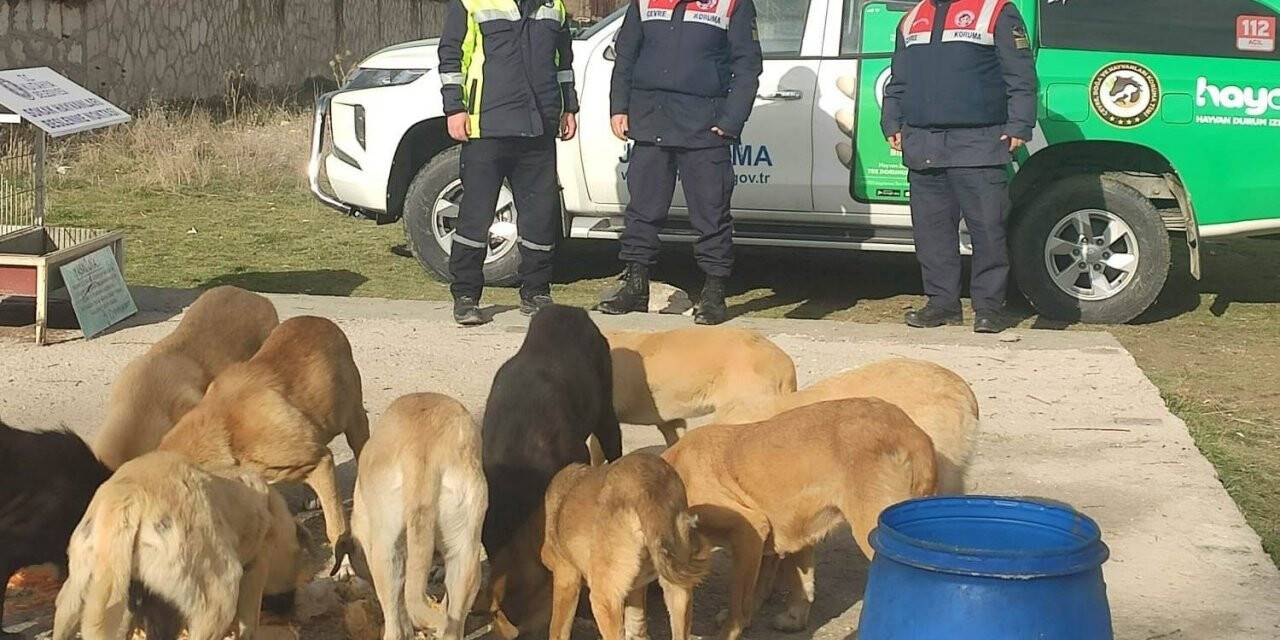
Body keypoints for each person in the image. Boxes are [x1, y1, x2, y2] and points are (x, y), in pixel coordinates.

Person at [599, 0, 764, 326]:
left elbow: (747, 66)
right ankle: (635, 286)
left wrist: (731, 120)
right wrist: (619, 107)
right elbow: (626, 56)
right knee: (642, 210)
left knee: (711, 212)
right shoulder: (644, 2)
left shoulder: (733, 4)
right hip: (651, 120)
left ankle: (714, 294)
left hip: (705, 125)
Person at [881, 0, 1037, 334]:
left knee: (988, 231)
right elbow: (898, 80)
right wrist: (891, 121)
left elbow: (1020, 74)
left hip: (979, 140)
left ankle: (989, 309)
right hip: (924, 142)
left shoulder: (996, 10)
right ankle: (942, 305)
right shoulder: (913, 18)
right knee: (932, 234)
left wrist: (1020, 124)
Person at [438, 0, 579, 326]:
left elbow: (564, 61)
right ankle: (466, 295)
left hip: (539, 126)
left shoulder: (552, 5)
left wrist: (569, 106)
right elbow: (451, 56)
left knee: (540, 214)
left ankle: (536, 291)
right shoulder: (472, 2)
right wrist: (454, 108)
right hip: (487, 123)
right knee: (476, 213)